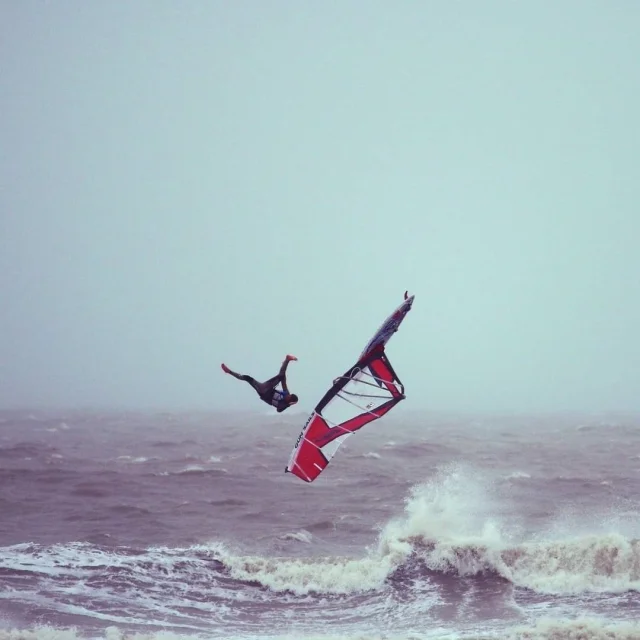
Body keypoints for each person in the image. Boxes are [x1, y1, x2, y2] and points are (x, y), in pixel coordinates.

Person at [221, 355, 299, 413]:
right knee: (282, 376)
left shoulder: (283, 405)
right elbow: (284, 382)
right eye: (289, 395)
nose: (288, 396)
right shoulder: (287, 394)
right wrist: (283, 369)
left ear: (289, 401)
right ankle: (287, 360)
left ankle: (229, 372)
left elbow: (279, 410)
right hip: (268, 386)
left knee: (248, 378)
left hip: (263, 392)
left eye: (289, 398)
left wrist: (289, 405)